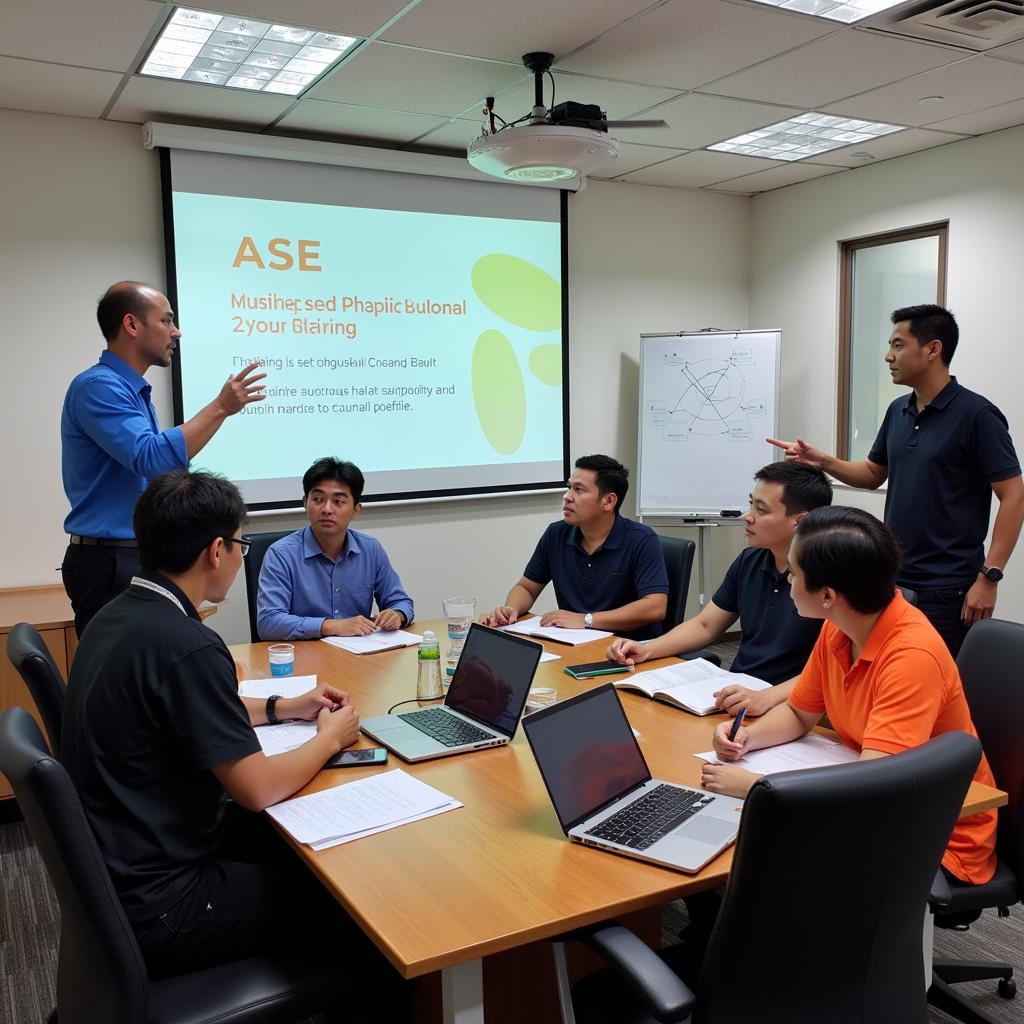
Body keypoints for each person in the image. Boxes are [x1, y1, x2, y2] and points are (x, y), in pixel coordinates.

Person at [61, 470, 407, 1012]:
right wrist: (329, 737)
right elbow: (256, 789)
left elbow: (180, 706)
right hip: (165, 901)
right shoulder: (189, 643)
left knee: (293, 851)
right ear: (217, 550)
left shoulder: (120, 617)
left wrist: (279, 707)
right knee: (363, 904)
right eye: (241, 544)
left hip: (121, 869)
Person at [703, 505, 997, 887]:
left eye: (794, 573)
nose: (788, 581)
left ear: (827, 595)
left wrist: (759, 789)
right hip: (881, 798)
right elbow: (799, 712)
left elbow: (872, 787)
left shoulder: (911, 657)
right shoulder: (841, 625)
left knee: (755, 847)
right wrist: (746, 738)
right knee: (733, 839)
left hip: (937, 832)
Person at [769, 303, 1023, 656]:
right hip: (893, 574)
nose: (889, 356)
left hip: (948, 585)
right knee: (885, 665)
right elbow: (874, 474)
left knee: (930, 677)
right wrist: (823, 460)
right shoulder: (898, 410)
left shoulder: (977, 415)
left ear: (933, 349)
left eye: (898, 345)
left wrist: (989, 576)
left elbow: (1014, 496)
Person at [61, 281, 266, 636]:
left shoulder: (133, 391)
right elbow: (151, 457)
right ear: (132, 325)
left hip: (132, 555)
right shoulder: (98, 387)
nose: (177, 332)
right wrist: (220, 407)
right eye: (167, 320)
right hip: (111, 561)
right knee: (126, 680)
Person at [607, 462, 833, 716]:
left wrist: (767, 698)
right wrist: (648, 648)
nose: (746, 516)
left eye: (761, 509)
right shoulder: (750, 560)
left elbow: (831, 672)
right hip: (736, 694)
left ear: (799, 521)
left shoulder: (828, 582)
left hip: (792, 707)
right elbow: (706, 625)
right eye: (750, 504)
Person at [480, 454, 669, 641]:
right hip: (574, 644)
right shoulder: (556, 534)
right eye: (569, 487)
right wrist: (511, 610)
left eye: (579, 490)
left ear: (609, 501)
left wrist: (586, 620)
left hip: (630, 650)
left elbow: (655, 607)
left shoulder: (642, 540)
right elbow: (527, 588)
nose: (567, 497)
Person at [257, 458, 413, 640]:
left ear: (356, 510)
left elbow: (401, 602)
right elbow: (268, 623)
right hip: (303, 657)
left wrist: (397, 615)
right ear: (305, 503)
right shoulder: (281, 554)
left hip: (357, 656)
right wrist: (333, 626)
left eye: (338, 501)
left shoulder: (370, 549)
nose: (327, 509)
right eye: (318, 499)